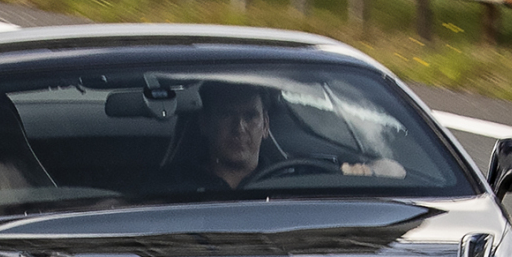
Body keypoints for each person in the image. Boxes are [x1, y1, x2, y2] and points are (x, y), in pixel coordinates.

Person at [165, 81, 403, 191]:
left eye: (250, 117)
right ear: (205, 124)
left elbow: (395, 171)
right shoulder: (174, 184)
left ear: (265, 125)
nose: (239, 128)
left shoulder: (296, 176)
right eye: (227, 115)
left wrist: (363, 173)